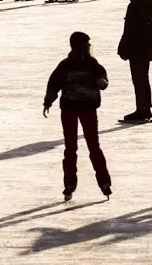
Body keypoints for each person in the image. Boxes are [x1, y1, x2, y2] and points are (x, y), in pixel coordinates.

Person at [43, 32, 112, 200]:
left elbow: (103, 78)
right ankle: (70, 184)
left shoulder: (92, 64)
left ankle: (104, 182)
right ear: (77, 46)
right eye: (86, 44)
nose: (89, 47)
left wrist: (102, 82)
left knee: (92, 146)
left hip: (87, 108)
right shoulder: (66, 65)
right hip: (70, 109)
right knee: (71, 147)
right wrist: (48, 101)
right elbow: (54, 83)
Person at [116, 0, 152, 123]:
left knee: (138, 79)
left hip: (136, 48)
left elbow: (129, 29)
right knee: (144, 78)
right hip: (147, 48)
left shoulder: (135, 5)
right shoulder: (149, 4)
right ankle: (146, 109)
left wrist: (122, 47)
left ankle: (142, 110)